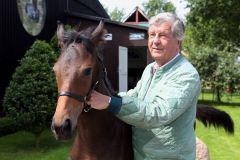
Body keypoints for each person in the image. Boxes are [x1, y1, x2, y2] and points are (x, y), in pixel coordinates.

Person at [87, 12, 201, 160]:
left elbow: (158, 113)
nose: (155, 41)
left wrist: (110, 103)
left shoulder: (186, 75)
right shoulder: (151, 68)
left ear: (178, 41)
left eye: (163, 35)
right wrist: (108, 96)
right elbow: (136, 95)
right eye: (152, 34)